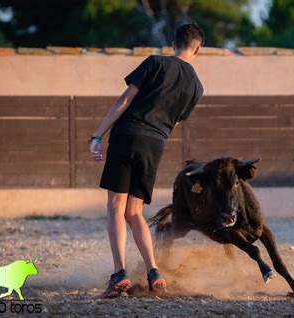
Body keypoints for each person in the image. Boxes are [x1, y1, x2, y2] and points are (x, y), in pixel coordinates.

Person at [89, 22, 205, 298]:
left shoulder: (155, 62)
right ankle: (154, 271)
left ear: (173, 44)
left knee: (116, 206)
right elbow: (174, 123)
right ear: (198, 49)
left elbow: (124, 101)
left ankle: (119, 274)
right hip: (155, 145)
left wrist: (98, 134)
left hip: (127, 135)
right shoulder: (197, 87)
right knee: (135, 211)